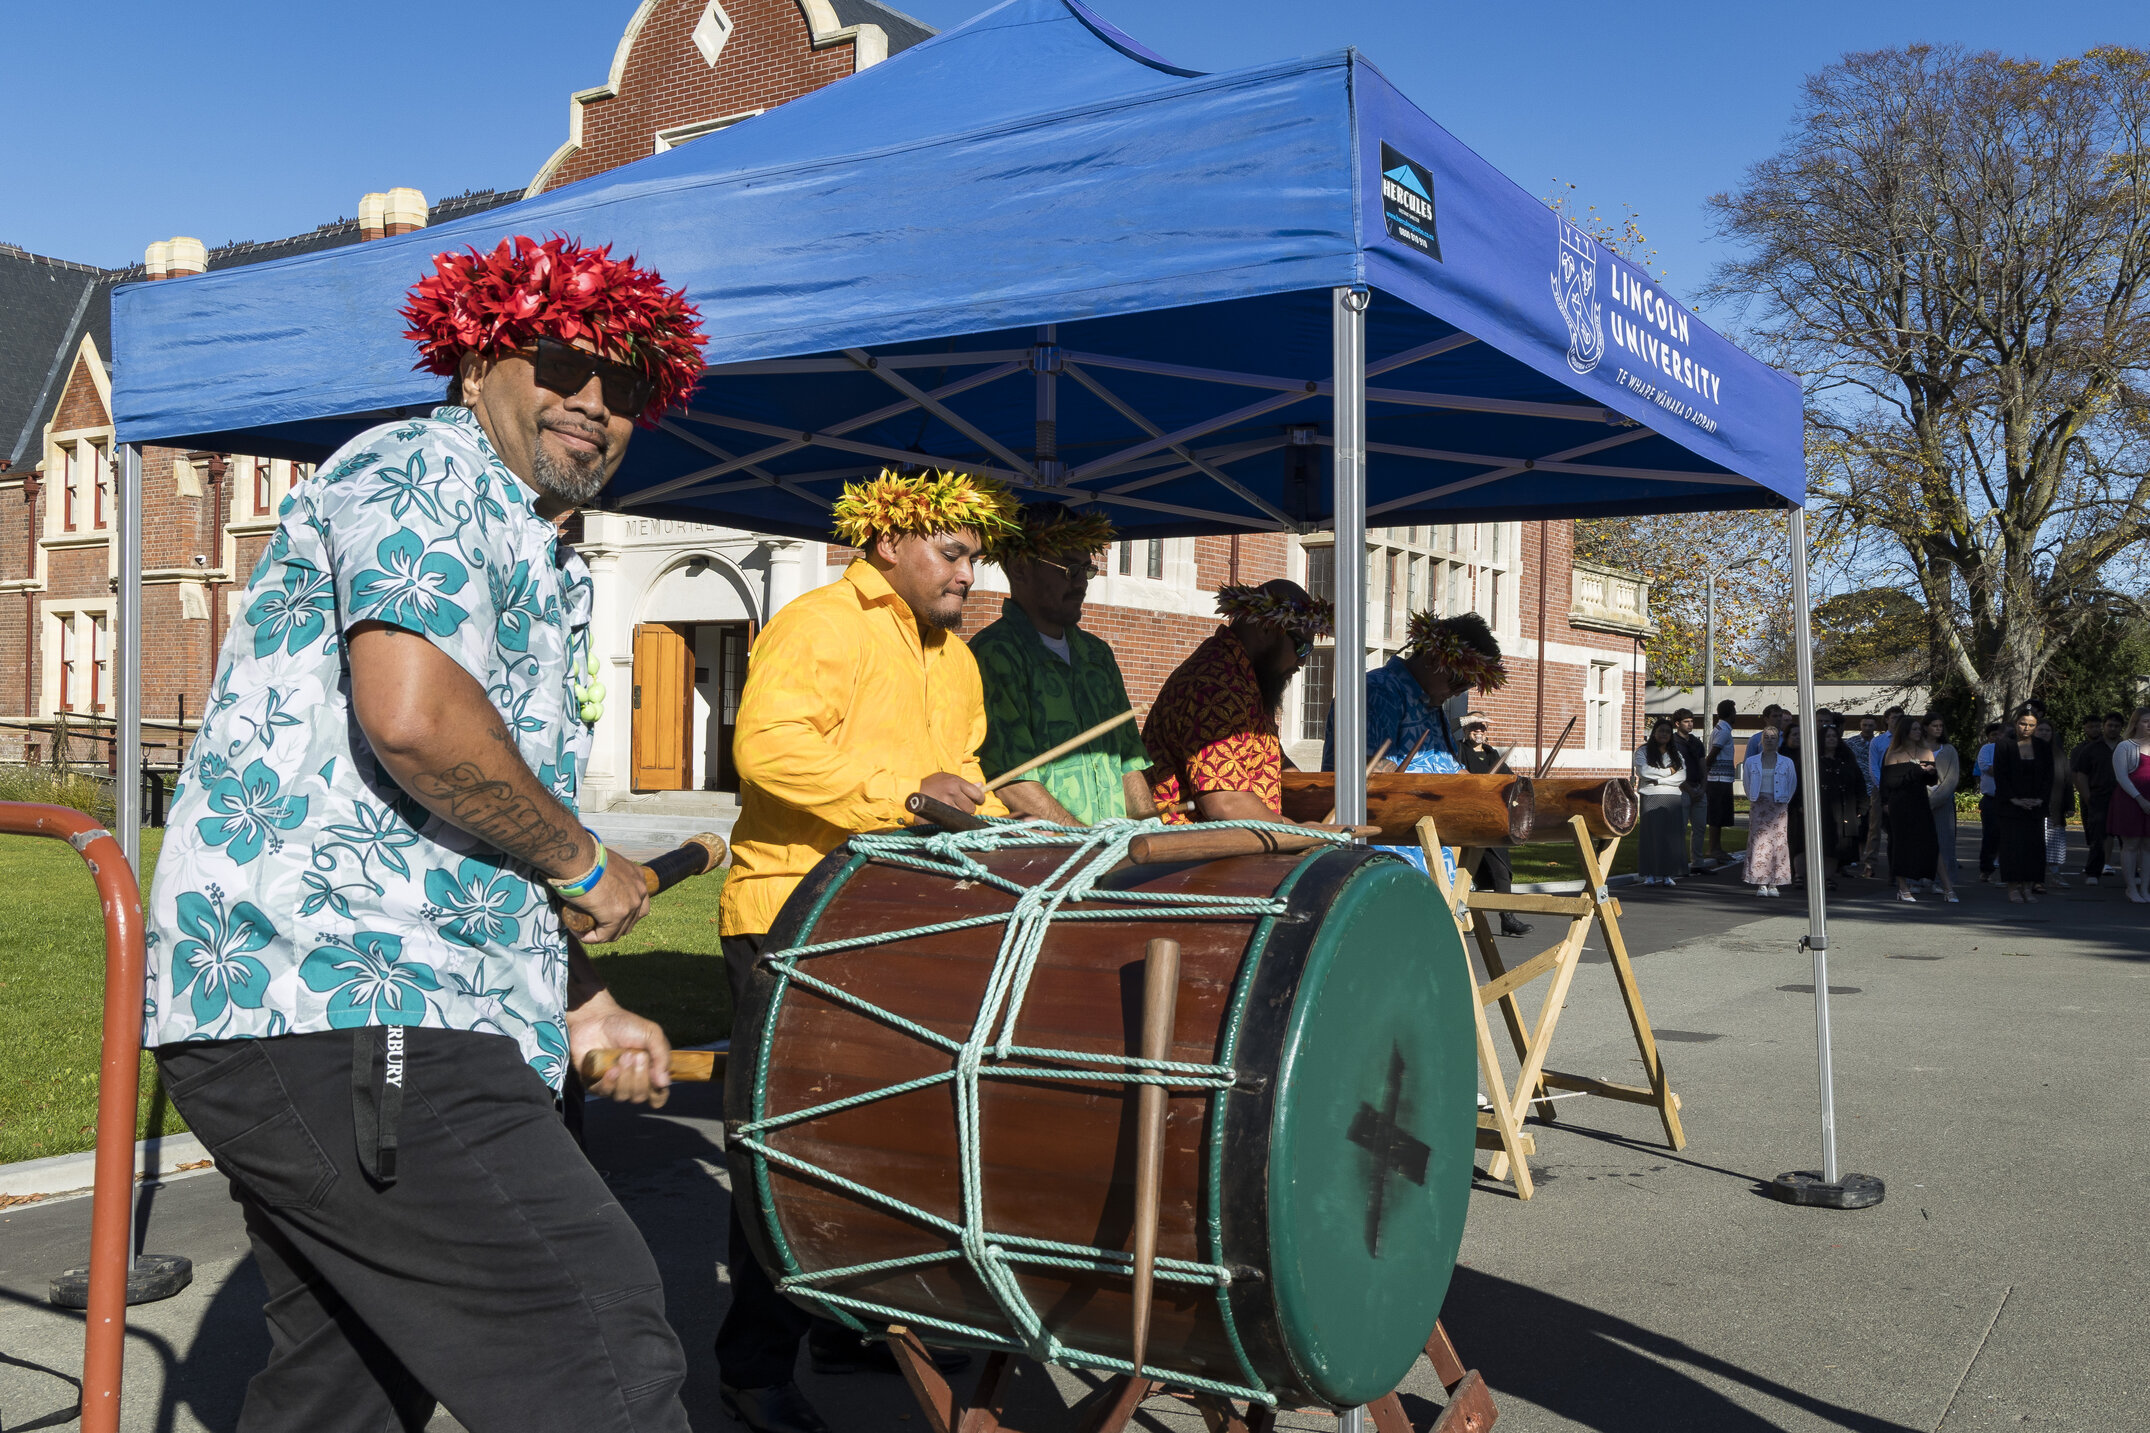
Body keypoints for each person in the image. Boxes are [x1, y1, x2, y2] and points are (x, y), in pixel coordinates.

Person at [140, 236, 708, 1431]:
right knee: (593, 1337)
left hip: (376, 1001)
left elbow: (467, 825)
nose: (595, 402)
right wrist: (584, 858)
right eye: (563, 361)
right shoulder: (424, 469)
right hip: (345, 992)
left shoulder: (527, 538)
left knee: (343, 1382)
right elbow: (416, 722)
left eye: (630, 386)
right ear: (478, 358)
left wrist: (580, 992)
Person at [716, 466, 1016, 1431]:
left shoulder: (956, 656)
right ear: (890, 541)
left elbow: (961, 774)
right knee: (788, 1155)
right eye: (955, 552)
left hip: (897, 917)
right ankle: (752, 1367)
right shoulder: (818, 622)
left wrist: (1006, 820)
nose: (970, 573)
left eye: (975, 556)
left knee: (889, 1141)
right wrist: (908, 794)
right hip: (792, 914)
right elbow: (768, 750)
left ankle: (854, 1319)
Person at [970, 504, 1147, 825]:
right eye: (1069, 570)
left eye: (1086, 571)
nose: (1081, 583)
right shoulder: (993, 653)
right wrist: (1086, 843)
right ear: (1021, 567)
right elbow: (1012, 780)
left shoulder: (1098, 655)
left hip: (1115, 855)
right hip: (1046, 862)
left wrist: (1149, 828)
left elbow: (1129, 762)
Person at [1148, 579, 1330, 823]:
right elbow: (1225, 804)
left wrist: (1325, 798)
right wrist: (1301, 832)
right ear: (1267, 629)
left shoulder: (1245, 679)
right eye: (1301, 647)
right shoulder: (1216, 685)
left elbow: (1270, 760)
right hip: (1184, 854)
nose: (1302, 661)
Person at [1457, 712, 1532, 936]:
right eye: (1474, 727)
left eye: (1482, 727)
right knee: (1463, 873)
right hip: (1467, 822)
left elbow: (1508, 780)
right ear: (1465, 730)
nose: (1478, 731)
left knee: (1501, 869)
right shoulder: (1459, 752)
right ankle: (1461, 919)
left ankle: (1507, 918)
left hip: (1492, 821)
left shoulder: (1493, 756)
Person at [1880, 716, 1950, 903]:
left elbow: (1930, 781)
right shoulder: (1893, 753)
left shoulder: (1926, 751)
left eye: (1920, 729)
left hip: (1920, 801)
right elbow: (1890, 782)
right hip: (1900, 803)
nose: (1919, 733)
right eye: (1915, 729)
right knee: (1901, 844)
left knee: (1930, 842)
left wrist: (1932, 773)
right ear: (1906, 732)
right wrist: (1916, 771)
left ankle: (1946, 886)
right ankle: (1903, 887)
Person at [1991, 706, 2055, 903]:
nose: (2026, 728)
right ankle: (2013, 888)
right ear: (2015, 723)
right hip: (2011, 805)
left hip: (2035, 805)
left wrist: (2039, 799)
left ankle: (2028, 887)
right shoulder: (2004, 745)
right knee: (2012, 847)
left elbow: (2048, 776)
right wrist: (2014, 799)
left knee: (2033, 847)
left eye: (2031, 725)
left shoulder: (2043, 746)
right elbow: (2000, 775)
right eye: (2022, 723)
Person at [1742, 723, 1796, 896]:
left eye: (1774, 738)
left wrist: (1784, 799)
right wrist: (1753, 798)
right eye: (1767, 738)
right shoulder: (1751, 761)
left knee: (1778, 843)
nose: (1770, 741)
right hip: (1759, 803)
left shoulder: (1787, 762)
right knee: (1759, 842)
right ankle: (1761, 882)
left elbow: (1792, 782)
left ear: (1778, 741)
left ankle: (1775, 882)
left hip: (1778, 805)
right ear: (1761, 740)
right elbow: (1747, 782)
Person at [1633, 717, 1688, 886]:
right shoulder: (1643, 752)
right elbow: (1643, 771)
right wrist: (1667, 773)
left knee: (1670, 837)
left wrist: (1658, 779)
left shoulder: (1676, 754)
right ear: (1654, 733)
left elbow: (1681, 776)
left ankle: (1667, 875)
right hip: (1651, 796)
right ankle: (1649, 874)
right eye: (1660, 731)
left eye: (1667, 731)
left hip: (1672, 798)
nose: (1664, 734)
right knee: (1651, 836)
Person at [2070, 713, 2122, 886]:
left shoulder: (2127, 747)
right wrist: (2087, 797)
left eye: (2116, 725)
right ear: (2104, 726)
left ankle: (2134, 871)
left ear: (2121, 727)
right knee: (2098, 837)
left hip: (2125, 798)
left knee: (2129, 838)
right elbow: (2080, 774)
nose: (2113, 728)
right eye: (2110, 725)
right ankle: (2093, 872)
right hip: (2099, 798)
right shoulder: (2090, 749)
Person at [1813, 724, 1868, 882]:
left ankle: (1828, 877)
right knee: (1823, 843)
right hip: (1822, 808)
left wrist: (1862, 807)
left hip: (1844, 809)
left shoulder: (1846, 760)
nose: (1831, 739)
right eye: (1827, 736)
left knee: (1838, 846)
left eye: (1834, 736)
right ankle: (1815, 876)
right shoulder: (1814, 760)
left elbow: (1859, 784)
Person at [2109, 705, 2150, 903]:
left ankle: (2145, 888)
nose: (2149, 725)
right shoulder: (2125, 747)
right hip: (2130, 800)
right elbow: (2122, 777)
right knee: (2131, 843)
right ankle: (2131, 888)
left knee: (2148, 845)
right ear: (2135, 723)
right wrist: (2140, 799)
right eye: (2145, 721)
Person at [2035, 717, 2072, 889]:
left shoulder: (2059, 754)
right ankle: (2035, 878)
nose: (2044, 733)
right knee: (2035, 844)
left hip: (2055, 807)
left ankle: (2055, 875)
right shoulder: (2027, 751)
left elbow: (2067, 781)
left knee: (2054, 843)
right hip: (2033, 807)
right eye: (2040, 730)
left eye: (2047, 730)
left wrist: (2070, 805)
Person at [1926, 714, 1962, 884]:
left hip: (1943, 801)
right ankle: (1919, 878)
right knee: (1921, 841)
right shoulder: (1917, 747)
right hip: (1920, 801)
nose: (1938, 729)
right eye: (1934, 725)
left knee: (1944, 843)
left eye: (1940, 725)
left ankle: (1943, 881)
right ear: (1926, 727)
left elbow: (1951, 779)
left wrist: (1936, 799)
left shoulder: (1949, 749)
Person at [1672, 708, 1708, 870]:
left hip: (1698, 788)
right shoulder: (1672, 743)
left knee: (1699, 828)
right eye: (1686, 721)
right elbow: (1673, 768)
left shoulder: (1696, 742)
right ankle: (1678, 863)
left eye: (1692, 721)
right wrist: (1688, 789)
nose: (1690, 724)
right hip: (1681, 790)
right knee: (1679, 829)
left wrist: (1703, 787)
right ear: (1677, 724)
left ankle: (1697, 862)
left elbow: (1703, 765)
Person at [1705, 699, 1739, 861]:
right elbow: (1713, 754)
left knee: (1719, 815)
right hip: (1718, 779)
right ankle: (1713, 848)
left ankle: (1717, 847)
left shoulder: (1720, 728)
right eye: (1734, 711)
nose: (1736, 715)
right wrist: (1704, 773)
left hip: (1722, 778)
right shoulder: (1723, 731)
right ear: (1730, 713)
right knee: (1716, 815)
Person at [1974, 721, 2004, 883]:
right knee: (1990, 835)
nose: (1998, 737)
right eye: (1994, 735)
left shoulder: (2012, 748)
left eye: (2000, 734)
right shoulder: (1986, 750)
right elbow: (1989, 769)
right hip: (1991, 798)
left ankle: (2008, 871)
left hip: (2009, 799)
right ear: (1988, 737)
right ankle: (1986, 869)